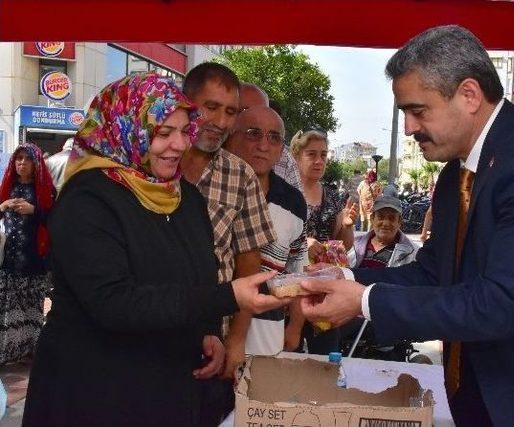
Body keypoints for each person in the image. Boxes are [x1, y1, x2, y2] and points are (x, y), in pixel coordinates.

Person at [299, 25, 514, 427]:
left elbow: (497, 304)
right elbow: (434, 273)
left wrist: (362, 302)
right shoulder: (454, 176)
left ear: (469, 95)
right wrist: (342, 277)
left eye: (417, 110)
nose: (408, 128)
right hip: (486, 395)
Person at [22, 73, 287, 427]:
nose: (179, 144)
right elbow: (114, 304)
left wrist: (207, 332)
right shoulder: (88, 199)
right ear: (126, 129)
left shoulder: (184, 197)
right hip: (95, 393)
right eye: (163, 133)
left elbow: (197, 275)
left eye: (183, 130)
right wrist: (227, 297)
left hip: (167, 386)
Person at [180, 64, 276, 383]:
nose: (221, 122)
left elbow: (248, 268)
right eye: (211, 107)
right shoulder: (154, 163)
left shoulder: (241, 175)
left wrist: (236, 341)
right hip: (148, 329)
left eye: (231, 112)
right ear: (185, 102)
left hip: (213, 341)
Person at [225, 106, 307, 355]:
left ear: (282, 148)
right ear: (232, 136)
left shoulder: (293, 201)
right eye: (253, 133)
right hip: (211, 326)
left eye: (274, 137)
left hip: (268, 331)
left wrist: (295, 326)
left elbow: (296, 268)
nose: (263, 145)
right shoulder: (211, 190)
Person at [291, 129, 357, 354]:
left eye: (324, 154)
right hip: (292, 288)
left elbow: (343, 246)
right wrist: (304, 243)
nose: (319, 161)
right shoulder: (287, 194)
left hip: (325, 290)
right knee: (291, 352)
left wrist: (347, 226)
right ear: (297, 156)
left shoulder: (334, 197)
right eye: (312, 154)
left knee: (327, 354)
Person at [0, 143, 55, 365]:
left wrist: (34, 211)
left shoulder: (44, 190)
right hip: (9, 261)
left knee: (31, 306)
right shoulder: (7, 187)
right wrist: (2, 206)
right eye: (18, 159)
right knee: (8, 307)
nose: (22, 163)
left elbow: (57, 220)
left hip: (34, 260)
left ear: (36, 164)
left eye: (27, 159)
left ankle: (28, 351)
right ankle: (9, 351)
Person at [240, 82, 303, 191]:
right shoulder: (207, 150)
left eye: (263, 112)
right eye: (245, 111)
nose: (263, 147)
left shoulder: (285, 159)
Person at [347, 185, 418, 269]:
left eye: (391, 218)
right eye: (381, 217)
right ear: (372, 219)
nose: (386, 223)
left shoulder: (413, 253)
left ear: (399, 222)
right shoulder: (354, 244)